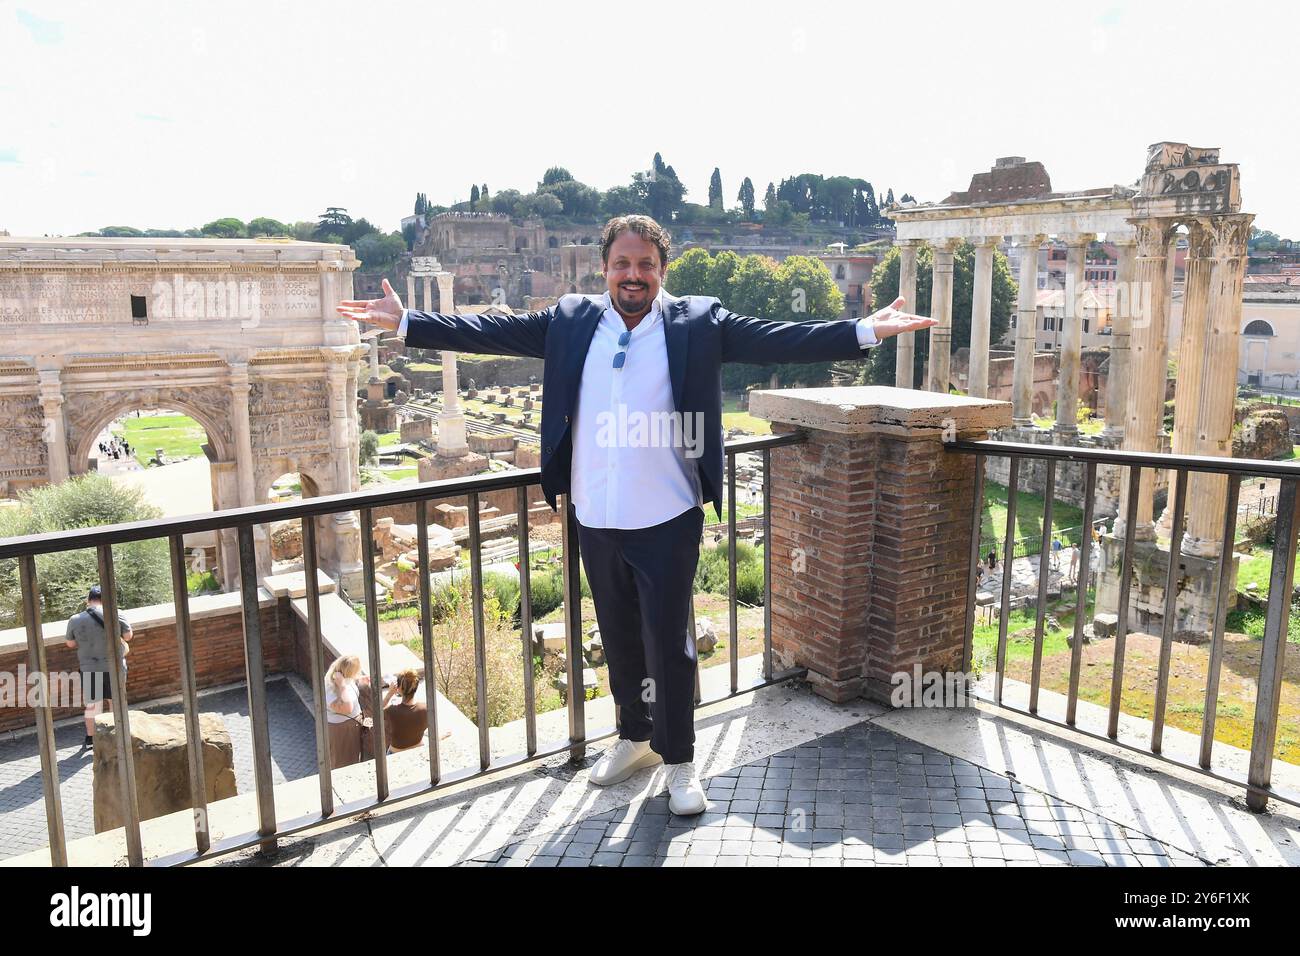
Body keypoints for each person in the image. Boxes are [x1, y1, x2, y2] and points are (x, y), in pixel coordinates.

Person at [337, 214, 934, 815]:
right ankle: (634, 736)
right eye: (622, 264)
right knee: (619, 636)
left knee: (669, 643)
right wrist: (408, 322)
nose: (633, 275)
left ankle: (679, 761)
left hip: (667, 514)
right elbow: (492, 330)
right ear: (605, 269)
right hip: (594, 512)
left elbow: (777, 338)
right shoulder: (571, 321)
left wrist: (862, 331)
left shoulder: (697, 322)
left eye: (645, 264)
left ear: (662, 270)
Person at [64, 585, 132, 748]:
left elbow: (70, 643)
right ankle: (119, 733)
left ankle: (91, 738)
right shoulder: (116, 613)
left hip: (89, 668)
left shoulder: (75, 619)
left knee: (93, 704)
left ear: (88, 600)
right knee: (115, 700)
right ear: (105, 600)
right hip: (114, 666)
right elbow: (128, 636)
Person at [324, 655, 365, 769]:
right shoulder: (331, 688)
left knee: (352, 759)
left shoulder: (342, 677)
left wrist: (361, 679)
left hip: (349, 726)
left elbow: (350, 684)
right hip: (342, 730)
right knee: (342, 763)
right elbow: (347, 708)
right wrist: (342, 686)